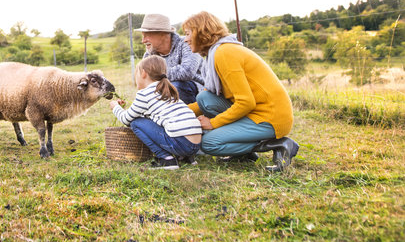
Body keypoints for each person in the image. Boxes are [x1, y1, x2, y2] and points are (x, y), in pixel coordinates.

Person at [182, 11, 299, 171]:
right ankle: (244, 153)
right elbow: (209, 101)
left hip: (270, 117)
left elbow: (246, 102)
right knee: (205, 98)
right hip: (254, 111)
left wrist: (213, 123)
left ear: (202, 33)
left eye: (188, 34)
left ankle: (279, 144)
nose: (186, 39)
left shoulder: (224, 53)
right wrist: (178, 112)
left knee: (208, 143)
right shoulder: (217, 53)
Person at [109, 55, 202, 170]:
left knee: (135, 123)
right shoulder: (167, 90)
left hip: (181, 143)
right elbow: (150, 118)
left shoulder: (144, 94)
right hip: (196, 144)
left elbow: (126, 119)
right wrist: (125, 108)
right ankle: (186, 157)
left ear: (143, 73)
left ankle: (166, 159)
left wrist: (115, 107)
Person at [136, 13, 203, 104]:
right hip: (166, 95)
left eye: (147, 35)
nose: (143, 40)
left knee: (174, 86)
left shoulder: (186, 44)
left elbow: (187, 71)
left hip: (198, 94)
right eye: (143, 36)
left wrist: (155, 74)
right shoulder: (149, 55)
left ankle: (186, 116)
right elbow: (144, 81)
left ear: (163, 34)